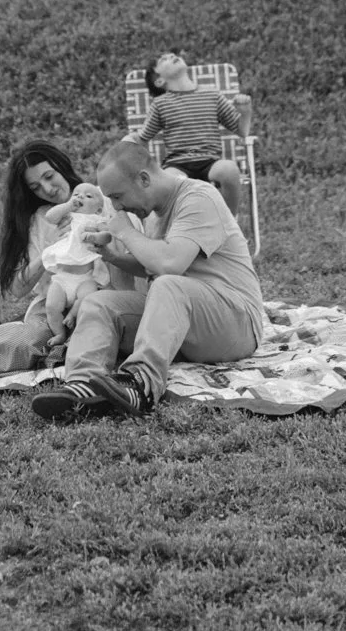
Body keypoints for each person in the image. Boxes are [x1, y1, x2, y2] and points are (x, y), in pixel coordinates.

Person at [30, 137, 265, 423]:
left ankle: (140, 385)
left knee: (167, 284)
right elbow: (151, 267)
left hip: (235, 323)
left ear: (143, 178)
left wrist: (125, 232)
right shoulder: (153, 211)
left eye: (117, 197)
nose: (116, 207)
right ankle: (83, 387)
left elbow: (170, 264)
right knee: (99, 302)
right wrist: (112, 256)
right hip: (183, 321)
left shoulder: (199, 198)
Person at [0, 143, 81, 375]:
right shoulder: (41, 219)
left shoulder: (97, 200)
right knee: (35, 341)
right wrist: (52, 247)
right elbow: (17, 288)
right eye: (36, 187)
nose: (47, 189)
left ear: (62, 167)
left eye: (49, 176)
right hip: (52, 309)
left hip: (93, 303)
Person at [138, 51, 249, 215]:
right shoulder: (160, 104)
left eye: (172, 55)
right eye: (163, 59)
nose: (171, 56)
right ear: (159, 80)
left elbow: (241, 131)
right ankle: (179, 231)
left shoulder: (212, 95)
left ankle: (229, 223)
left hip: (210, 162)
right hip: (178, 164)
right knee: (169, 180)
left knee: (229, 170)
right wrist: (130, 143)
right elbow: (143, 137)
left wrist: (245, 112)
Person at [38, 182, 114, 343]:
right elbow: (50, 216)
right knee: (52, 306)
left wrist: (94, 237)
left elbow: (107, 236)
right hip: (62, 278)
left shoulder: (96, 219)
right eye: (76, 194)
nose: (80, 197)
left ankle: (73, 317)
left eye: (88, 196)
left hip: (85, 278)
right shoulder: (68, 216)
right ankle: (59, 333)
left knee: (88, 299)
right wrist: (67, 206)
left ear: (99, 209)